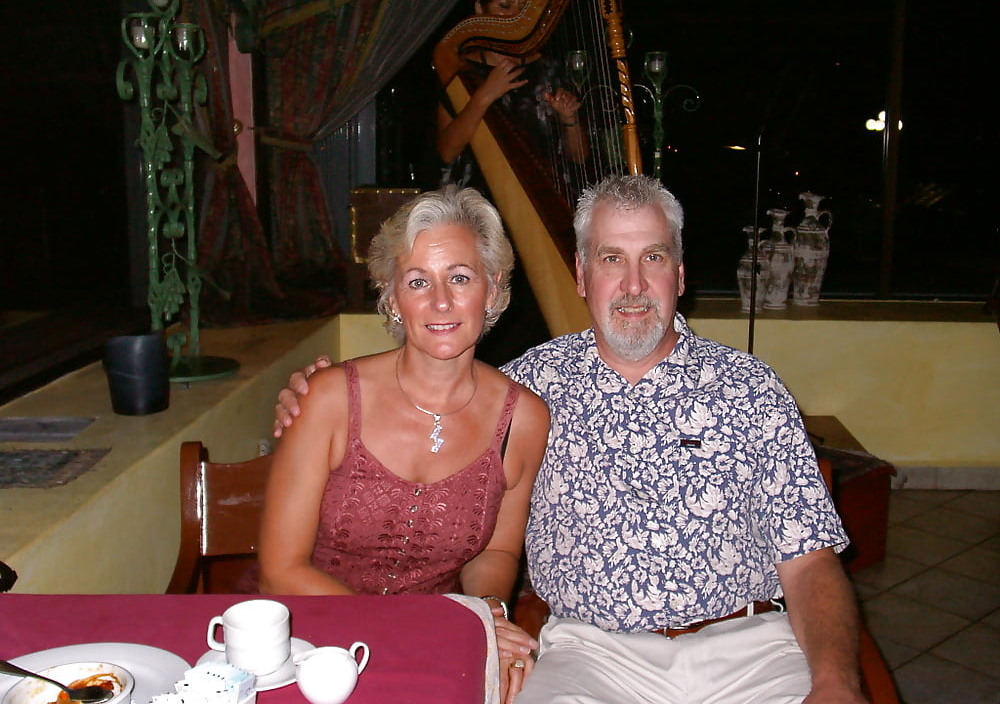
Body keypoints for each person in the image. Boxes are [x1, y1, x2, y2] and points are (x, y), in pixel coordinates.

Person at [275, 175, 866, 703]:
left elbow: (811, 563)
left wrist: (838, 682)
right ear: (582, 275)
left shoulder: (751, 391)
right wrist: (308, 395)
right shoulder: (530, 390)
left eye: (653, 257)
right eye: (611, 259)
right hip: (592, 658)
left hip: (750, 649)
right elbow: (431, 416)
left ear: (680, 274)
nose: (633, 284)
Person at [260, 186, 547, 701]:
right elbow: (281, 571)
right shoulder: (330, 399)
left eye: (460, 277)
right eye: (418, 281)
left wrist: (486, 615)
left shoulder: (522, 419)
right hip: (307, 643)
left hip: (430, 644)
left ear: (493, 288)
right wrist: (412, 627)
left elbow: (499, 549)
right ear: (392, 297)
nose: (441, 301)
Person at [437, 0, 587, 188]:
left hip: (542, 196)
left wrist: (569, 119)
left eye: (524, 9)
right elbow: (447, 153)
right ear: (480, 10)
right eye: (505, 6)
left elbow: (579, 158)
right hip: (472, 199)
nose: (516, 17)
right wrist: (484, 95)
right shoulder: (460, 70)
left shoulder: (549, 70)